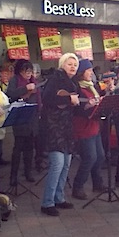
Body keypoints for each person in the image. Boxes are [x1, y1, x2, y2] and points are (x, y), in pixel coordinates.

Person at [40, 53, 80, 217]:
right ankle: (47, 202)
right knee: (57, 164)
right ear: (62, 64)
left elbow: (72, 105)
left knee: (66, 164)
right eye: (70, 64)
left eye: (75, 65)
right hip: (53, 126)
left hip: (66, 127)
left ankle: (59, 197)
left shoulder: (72, 83)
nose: (73, 67)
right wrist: (68, 100)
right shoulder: (55, 79)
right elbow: (47, 98)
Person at [71, 59, 106, 200]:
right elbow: (76, 109)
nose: (91, 73)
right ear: (82, 72)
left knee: (100, 156)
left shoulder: (93, 86)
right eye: (89, 70)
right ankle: (78, 186)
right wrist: (87, 107)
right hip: (83, 127)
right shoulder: (77, 88)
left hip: (94, 126)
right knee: (90, 158)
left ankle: (97, 183)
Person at [6, 60, 40, 186]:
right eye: (26, 71)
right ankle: (13, 176)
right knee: (18, 147)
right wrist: (25, 88)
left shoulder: (34, 81)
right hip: (20, 117)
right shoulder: (15, 80)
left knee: (30, 147)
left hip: (33, 117)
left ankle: (28, 172)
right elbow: (10, 94)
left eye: (30, 71)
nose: (28, 74)